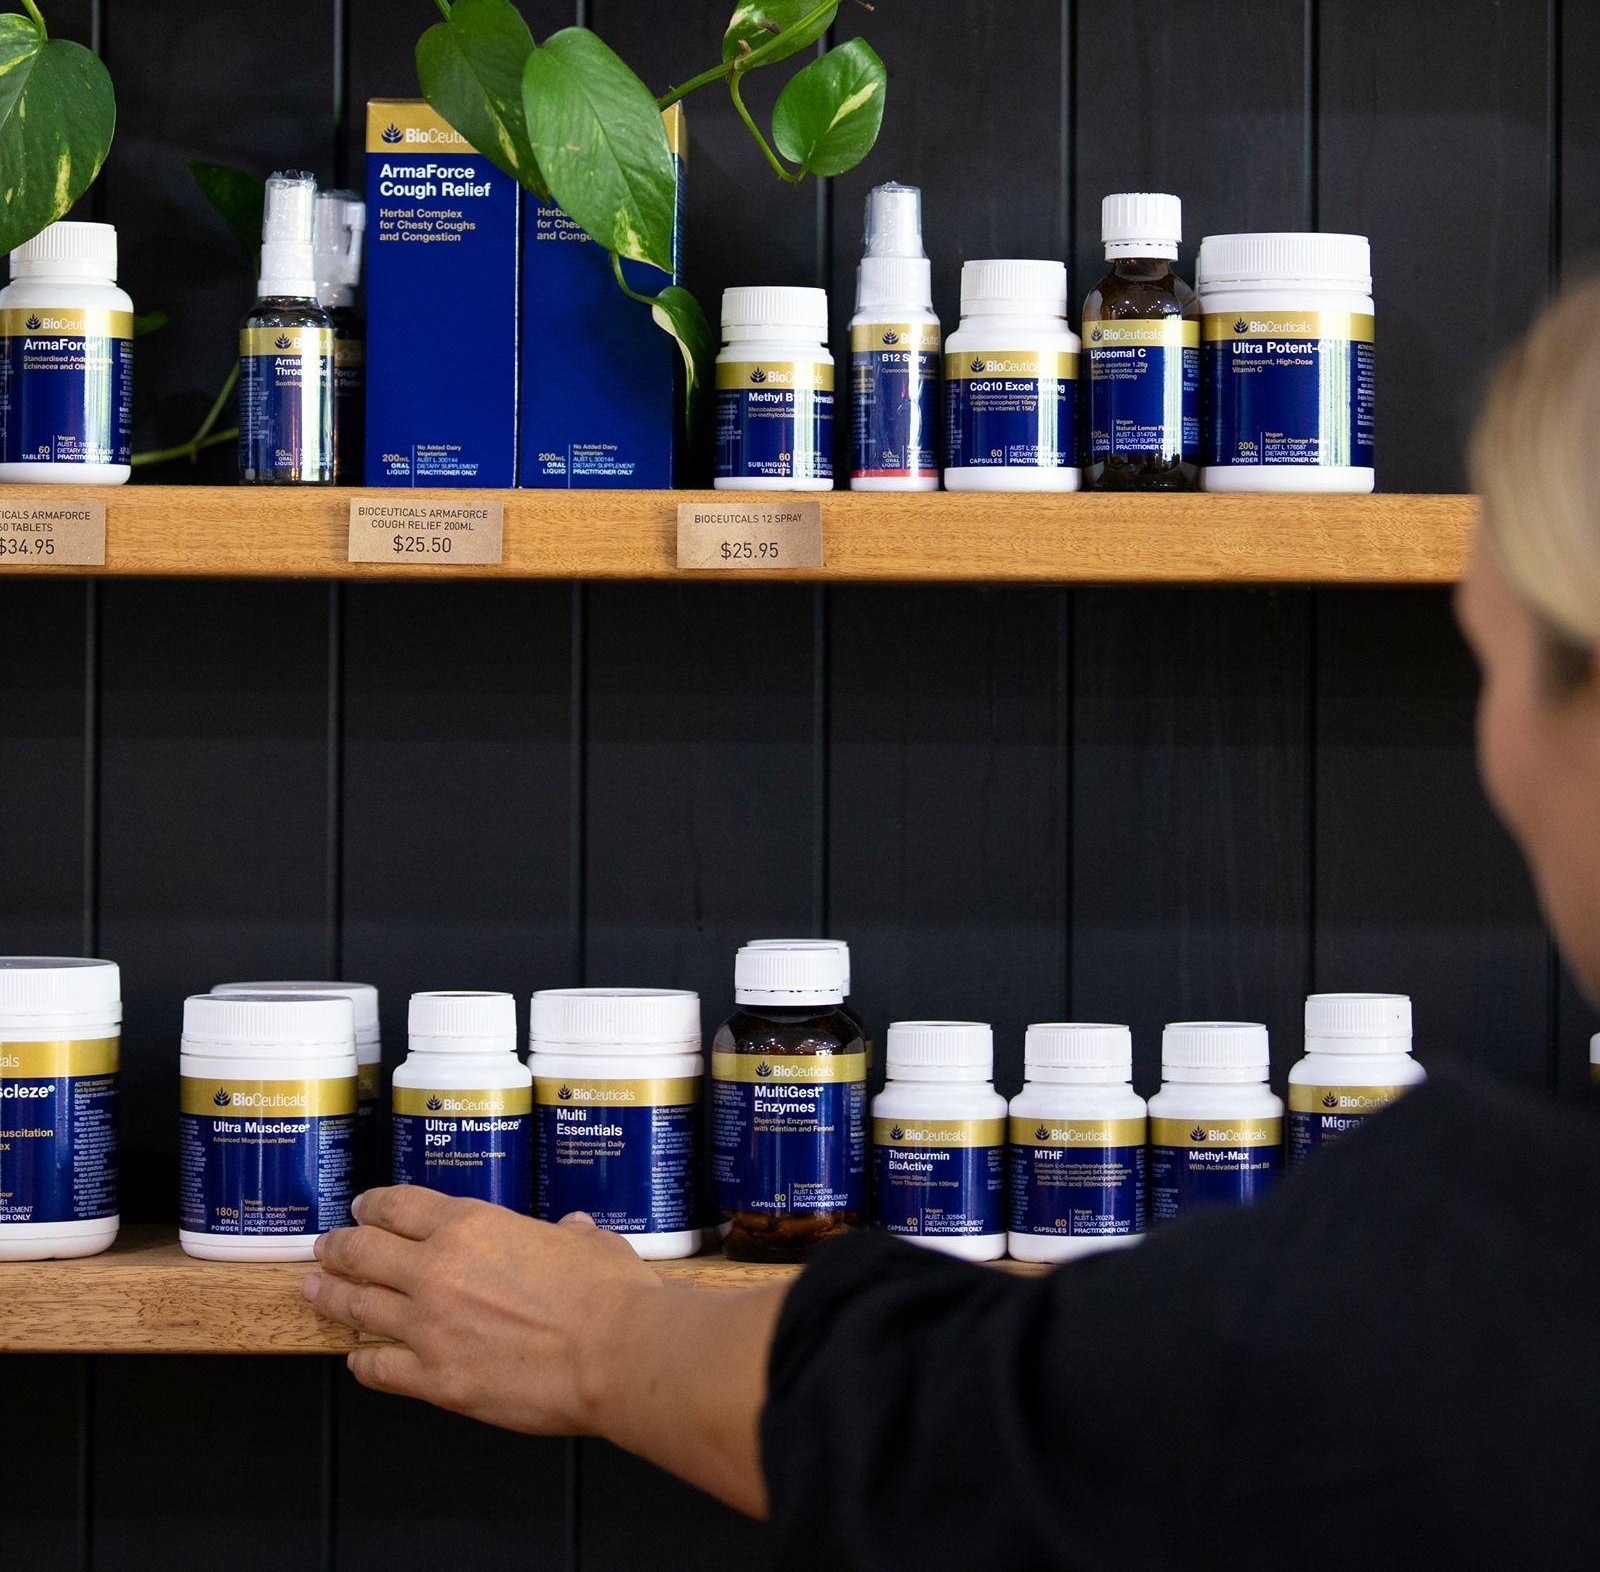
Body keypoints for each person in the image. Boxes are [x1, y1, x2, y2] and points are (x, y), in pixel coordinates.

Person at [303, 277, 1600, 1568]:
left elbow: (1039, 1413)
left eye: (1490, 669)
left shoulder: (1477, 1254)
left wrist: (605, 1341)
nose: (1492, 746)